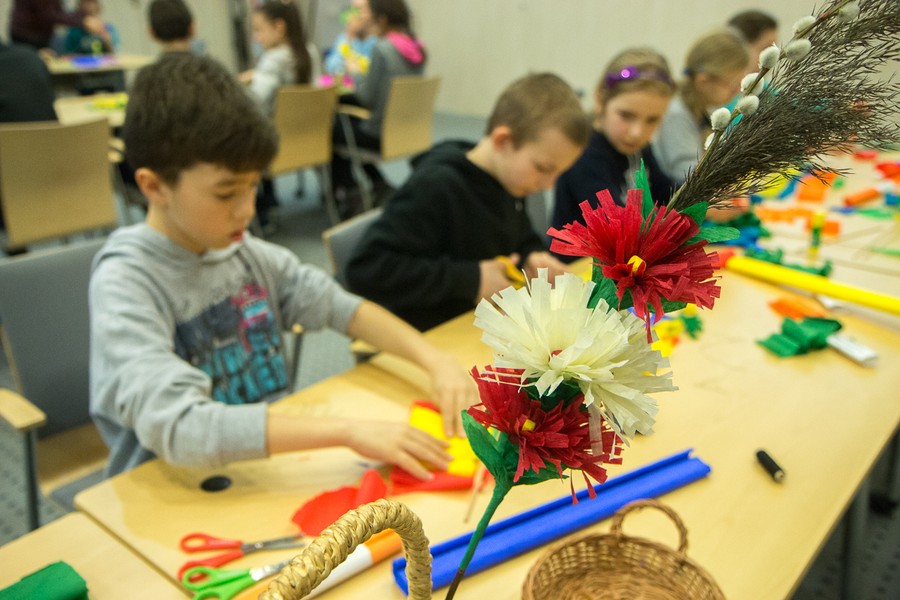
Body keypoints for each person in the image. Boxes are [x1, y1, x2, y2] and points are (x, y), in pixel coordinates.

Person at [89, 53, 477, 479]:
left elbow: (338, 305)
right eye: (225, 194)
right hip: (165, 487)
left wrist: (434, 360)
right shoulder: (126, 281)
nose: (247, 210)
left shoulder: (243, 253)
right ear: (153, 186)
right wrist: (347, 431)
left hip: (257, 471)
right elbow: (183, 428)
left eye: (254, 186)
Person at [345, 73, 589, 332]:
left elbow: (518, 238)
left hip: (478, 325)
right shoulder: (437, 186)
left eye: (557, 173)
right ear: (503, 141)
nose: (549, 184)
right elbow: (365, 270)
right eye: (543, 168)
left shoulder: (507, 180)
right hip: (430, 334)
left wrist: (533, 257)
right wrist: (471, 280)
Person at [551, 48, 676, 258]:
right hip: (579, 274)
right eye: (626, 115)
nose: (638, 132)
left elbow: (667, 193)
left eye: (652, 120)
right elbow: (619, 228)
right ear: (600, 100)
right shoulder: (582, 154)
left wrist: (704, 197)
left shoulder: (637, 146)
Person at [331, 0, 426, 212]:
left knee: (331, 129)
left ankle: (348, 190)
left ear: (381, 19)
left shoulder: (382, 49)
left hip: (380, 134)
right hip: (407, 130)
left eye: (368, 14)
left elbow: (366, 98)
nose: (364, 18)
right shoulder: (416, 47)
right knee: (348, 124)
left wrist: (354, 75)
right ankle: (377, 183)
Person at [238, 0, 313, 228]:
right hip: (310, 139)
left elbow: (255, 102)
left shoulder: (272, 60)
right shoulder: (309, 52)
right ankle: (270, 199)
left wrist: (239, 87)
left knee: (244, 133)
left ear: (279, 27)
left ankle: (263, 205)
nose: (256, 38)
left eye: (259, 30)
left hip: (276, 145)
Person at [652, 28, 749, 186]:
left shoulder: (702, 109)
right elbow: (686, 177)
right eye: (732, 86)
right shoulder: (677, 115)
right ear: (703, 81)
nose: (737, 92)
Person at [9, 0, 105, 51]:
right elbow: (48, 14)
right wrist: (82, 21)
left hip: (40, 37)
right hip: (27, 37)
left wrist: (83, 19)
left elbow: (58, 12)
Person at [323, 0, 376, 78]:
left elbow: (370, 71)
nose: (355, 16)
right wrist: (350, 36)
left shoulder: (377, 40)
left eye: (360, 10)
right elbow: (331, 66)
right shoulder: (345, 37)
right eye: (353, 10)